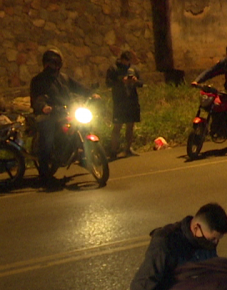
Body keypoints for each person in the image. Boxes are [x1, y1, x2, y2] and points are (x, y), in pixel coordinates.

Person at [130, 203, 227, 290]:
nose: (214, 243)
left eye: (218, 239)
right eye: (212, 239)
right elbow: (141, 288)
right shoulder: (166, 244)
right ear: (196, 228)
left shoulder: (204, 241)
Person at [29, 48, 96, 187]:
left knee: (84, 126)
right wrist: (43, 107)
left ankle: (82, 156)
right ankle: (44, 173)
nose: (51, 65)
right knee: (47, 140)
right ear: (44, 63)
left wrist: (91, 94)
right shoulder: (38, 80)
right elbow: (37, 98)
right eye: (49, 62)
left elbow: (78, 87)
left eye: (54, 62)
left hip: (66, 112)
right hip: (48, 115)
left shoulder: (63, 78)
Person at [105, 50, 142, 159]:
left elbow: (142, 83)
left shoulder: (134, 69)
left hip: (132, 101)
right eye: (125, 61)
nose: (127, 64)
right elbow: (108, 83)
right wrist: (122, 81)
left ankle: (128, 148)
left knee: (130, 126)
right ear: (121, 59)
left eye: (129, 62)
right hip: (119, 102)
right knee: (117, 126)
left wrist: (135, 81)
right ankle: (113, 151)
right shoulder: (113, 69)